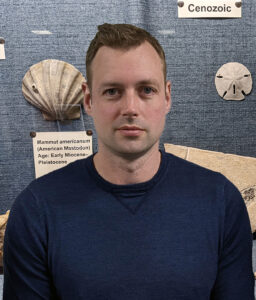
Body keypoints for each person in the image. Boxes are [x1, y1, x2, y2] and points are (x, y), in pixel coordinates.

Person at [3, 23, 255, 299]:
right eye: (112, 91)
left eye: (146, 90)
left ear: (167, 97)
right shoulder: (36, 210)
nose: (130, 109)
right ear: (88, 99)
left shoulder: (221, 201)